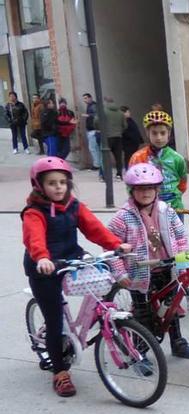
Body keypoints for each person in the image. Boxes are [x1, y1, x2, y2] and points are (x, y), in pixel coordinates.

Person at [22, 157, 130, 396]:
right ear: (39, 186)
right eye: (52, 183)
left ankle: (88, 324)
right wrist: (42, 258)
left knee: (101, 281)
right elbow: (34, 238)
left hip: (71, 258)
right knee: (54, 320)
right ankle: (60, 372)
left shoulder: (73, 205)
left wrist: (116, 244)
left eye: (62, 182)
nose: (59, 187)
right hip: (44, 266)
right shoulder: (34, 211)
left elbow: (94, 229)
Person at [107, 163, 189, 360]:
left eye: (150, 188)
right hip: (139, 272)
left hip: (167, 267)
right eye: (140, 189)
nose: (146, 192)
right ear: (132, 191)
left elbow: (181, 237)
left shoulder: (167, 211)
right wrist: (120, 273)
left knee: (171, 307)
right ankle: (139, 352)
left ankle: (177, 342)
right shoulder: (122, 217)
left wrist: (183, 259)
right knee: (143, 313)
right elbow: (111, 247)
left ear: (157, 189)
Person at [129, 111, 187, 211]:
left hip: (173, 208)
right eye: (154, 133)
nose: (159, 137)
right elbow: (131, 185)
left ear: (169, 133)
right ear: (148, 133)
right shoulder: (137, 158)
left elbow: (182, 184)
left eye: (163, 133)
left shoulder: (177, 159)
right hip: (147, 208)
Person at [102, 96, 126, 181]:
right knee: (118, 157)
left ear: (106, 102)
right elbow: (125, 126)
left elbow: (96, 122)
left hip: (107, 137)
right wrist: (119, 131)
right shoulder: (120, 113)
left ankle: (106, 176)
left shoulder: (103, 111)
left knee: (105, 156)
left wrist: (101, 130)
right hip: (118, 137)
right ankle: (119, 174)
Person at [81, 93, 101, 171]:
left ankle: (97, 164)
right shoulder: (91, 105)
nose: (84, 100)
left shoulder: (93, 105)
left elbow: (96, 115)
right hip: (92, 130)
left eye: (86, 98)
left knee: (93, 148)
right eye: (84, 98)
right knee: (95, 148)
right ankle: (98, 164)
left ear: (90, 98)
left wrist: (88, 115)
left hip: (93, 130)